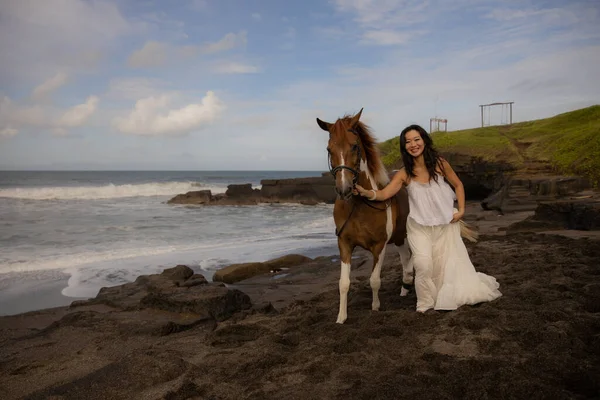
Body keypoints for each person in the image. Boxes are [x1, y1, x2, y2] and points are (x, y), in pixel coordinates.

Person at [354, 124, 502, 313]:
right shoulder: (404, 173)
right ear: (404, 147)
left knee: (443, 266)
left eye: (416, 139)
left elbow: (458, 185)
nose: (413, 144)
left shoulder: (440, 164)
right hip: (418, 227)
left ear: (424, 140)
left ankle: (441, 295)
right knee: (423, 264)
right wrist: (367, 192)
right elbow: (384, 194)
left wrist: (462, 210)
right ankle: (425, 303)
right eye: (408, 142)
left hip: (445, 225)